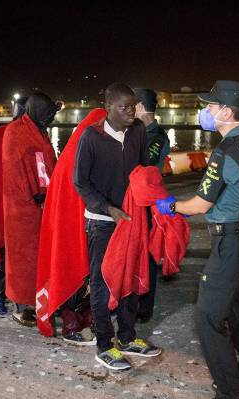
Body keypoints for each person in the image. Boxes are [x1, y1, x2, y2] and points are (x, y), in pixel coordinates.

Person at [156, 80, 239, 399]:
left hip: (232, 242)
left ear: (227, 112)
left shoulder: (226, 151)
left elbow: (201, 204)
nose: (206, 111)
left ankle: (233, 397)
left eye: (212, 106)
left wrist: (171, 206)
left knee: (207, 316)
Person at [73, 82, 161, 370]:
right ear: (107, 106)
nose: (130, 113)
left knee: (131, 279)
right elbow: (80, 183)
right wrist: (109, 209)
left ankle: (127, 336)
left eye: (133, 106)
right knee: (102, 282)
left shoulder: (137, 132)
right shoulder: (90, 137)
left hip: (132, 219)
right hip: (102, 222)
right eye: (123, 107)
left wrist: (158, 206)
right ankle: (104, 344)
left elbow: (145, 170)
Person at [35, 108, 107, 343]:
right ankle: (71, 325)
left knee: (84, 276)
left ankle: (85, 320)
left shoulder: (73, 153)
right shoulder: (81, 155)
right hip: (72, 228)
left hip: (75, 226)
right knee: (74, 274)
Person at [1, 93, 58, 326]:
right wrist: (32, 194)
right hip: (21, 211)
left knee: (39, 258)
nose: (49, 119)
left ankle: (40, 302)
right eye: (46, 113)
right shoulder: (15, 132)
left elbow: (47, 161)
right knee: (21, 261)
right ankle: (21, 307)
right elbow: (13, 168)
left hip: (42, 207)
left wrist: (51, 191)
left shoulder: (39, 131)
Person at [0, 96, 27, 315]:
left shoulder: (35, 133)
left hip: (27, 206)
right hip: (7, 205)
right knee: (4, 254)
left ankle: (24, 299)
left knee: (23, 256)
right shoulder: (3, 133)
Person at [133, 88, 171, 324]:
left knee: (147, 256)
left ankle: (144, 309)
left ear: (138, 106)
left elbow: (144, 163)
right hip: (139, 201)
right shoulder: (143, 132)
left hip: (147, 204)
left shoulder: (155, 136)